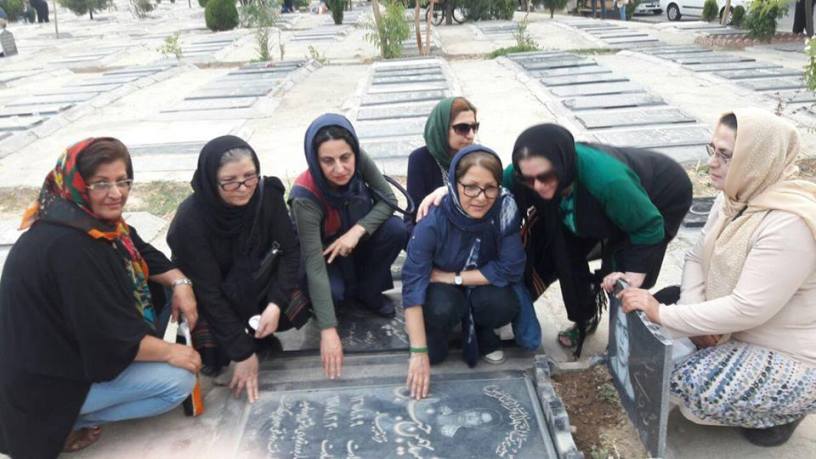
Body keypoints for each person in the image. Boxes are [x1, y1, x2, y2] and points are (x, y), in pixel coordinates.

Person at [619, 109, 816, 447]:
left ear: (757, 159)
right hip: (737, 326)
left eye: (726, 155)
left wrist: (665, 315)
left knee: (688, 384)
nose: (711, 163)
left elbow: (747, 308)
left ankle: (785, 410)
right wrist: (693, 321)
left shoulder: (789, 223)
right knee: (659, 325)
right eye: (712, 149)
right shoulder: (736, 196)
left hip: (785, 351)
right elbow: (697, 257)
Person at [0, 138, 201, 458]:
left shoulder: (87, 223)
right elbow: (110, 340)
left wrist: (181, 282)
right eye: (101, 183)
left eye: (123, 181)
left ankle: (71, 413)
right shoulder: (73, 248)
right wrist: (172, 352)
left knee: (159, 285)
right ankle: (62, 422)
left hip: (60, 354)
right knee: (177, 381)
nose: (116, 192)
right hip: (43, 385)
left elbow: (144, 252)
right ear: (78, 184)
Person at [417, 124, 692, 356]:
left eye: (545, 177)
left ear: (563, 164)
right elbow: (491, 185)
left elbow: (649, 226)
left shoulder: (609, 181)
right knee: (562, 253)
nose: (537, 186)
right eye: (529, 180)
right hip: (580, 203)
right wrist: (449, 190)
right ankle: (584, 317)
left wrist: (634, 274)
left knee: (619, 276)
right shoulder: (528, 172)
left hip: (657, 199)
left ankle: (625, 344)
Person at [167, 135, 309, 403]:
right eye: (230, 181)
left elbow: (291, 251)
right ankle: (237, 339)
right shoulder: (191, 221)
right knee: (214, 357)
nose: (243, 188)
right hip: (214, 294)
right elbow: (208, 292)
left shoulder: (267, 196)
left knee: (296, 295)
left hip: (255, 284)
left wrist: (275, 305)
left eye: (249, 177)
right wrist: (242, 353)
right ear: (212, 180)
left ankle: (257, 328)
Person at [289, 113, 408, 380]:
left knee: (396, 229)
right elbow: (313, 263)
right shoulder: (304, 197)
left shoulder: (358, 159)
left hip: (357, 242)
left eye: (345, 157)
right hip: (326, 257)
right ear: (314, 160)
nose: (340, 168)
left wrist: (357, 231)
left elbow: (388, 200)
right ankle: (333, 304)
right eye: (327, 161)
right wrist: (328, 330)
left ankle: (368, 292)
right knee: (333, 292)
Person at [402, 145, 524, 400]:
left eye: (490, 188)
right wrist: (418, 352)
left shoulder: (504, 207)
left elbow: (512, 267)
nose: (481, 197)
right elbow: (413, 285)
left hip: (476, 282)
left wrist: (453, 277)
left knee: (503, 304)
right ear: (453, 185)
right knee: (438, 328)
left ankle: (482, 327)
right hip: (440, 289)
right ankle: (441, 329)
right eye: (470, 187)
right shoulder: (432, 221)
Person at [405, 97, 478, 234]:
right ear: (442, 128)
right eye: (462, 128)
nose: (471, 135)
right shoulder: (420, 158)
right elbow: (415, 213)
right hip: (432, 230)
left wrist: (448, 191)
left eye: (474, 127)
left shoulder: (478, 157)